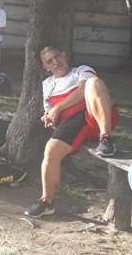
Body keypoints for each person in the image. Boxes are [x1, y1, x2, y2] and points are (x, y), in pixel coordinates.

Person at [24, 47, 119, 218]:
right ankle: (47, 203)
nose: (55, 62)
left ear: (64, 56)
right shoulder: (47, 84)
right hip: (72, 123)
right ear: (46, 67)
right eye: (49, 61)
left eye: (57, 57)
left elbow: (83, 91)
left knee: (94, 82)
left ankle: (106, 138)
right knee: (50, 151)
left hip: (94, 114)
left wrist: (58, 108)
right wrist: (49, 117)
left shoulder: (81, 71)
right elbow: (50, 111)